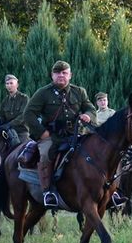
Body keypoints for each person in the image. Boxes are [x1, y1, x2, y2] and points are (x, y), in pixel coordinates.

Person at [24, 60, 95, 207]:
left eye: (64, 73)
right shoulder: (43, 93)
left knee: (94, 152)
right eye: (57, 73)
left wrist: (88, 115)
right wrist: (42, 132)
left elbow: (90, 108)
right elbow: (29, 113)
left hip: (75, 134)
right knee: (45, 154)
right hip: (52, 136)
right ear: (52, 75)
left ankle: (104, 189)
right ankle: (48, 191)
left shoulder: (79, 91)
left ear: (70, 75)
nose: (61, 75)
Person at [0, 74, 29, 147]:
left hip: (21, 132)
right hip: (7, 133)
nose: (9, 86)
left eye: (11, 83)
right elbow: (1, 116)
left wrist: (9, 125)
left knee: (22, 154)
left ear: (17, 85)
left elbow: (22, 116)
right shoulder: (5, 101)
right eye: (7, 84)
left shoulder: (24, 98)